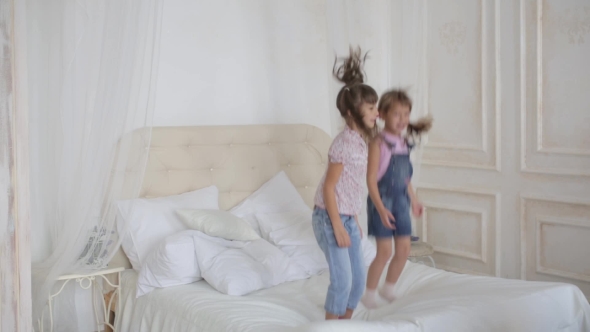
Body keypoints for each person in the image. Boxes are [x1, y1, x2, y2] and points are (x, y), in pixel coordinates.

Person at [312, 47, 379, 320]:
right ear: (352, 114)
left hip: (346, 217)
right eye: (372, 108)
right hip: (329, 218)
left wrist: (352, 218)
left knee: (358, 282)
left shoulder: (361, 141)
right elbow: (329, 188)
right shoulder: (342, 144)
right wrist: (338, 223)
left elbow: (350, 186)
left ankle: (345, 323)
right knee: (342, 281)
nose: (377, 113)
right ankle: (331, 326)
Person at [361, 89, 432, 308]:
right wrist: (381, 209)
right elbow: (371, 180)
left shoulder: (404, 142)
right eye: (396, 114)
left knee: (404, 250)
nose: (402, 120)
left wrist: (414, 199)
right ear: (381, 114)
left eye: (406, 114)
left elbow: (405, 178)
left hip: (401, 201)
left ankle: (388, 287)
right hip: (382, 201)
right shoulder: (378, 143)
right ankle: (369, 294)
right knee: (385, 252)